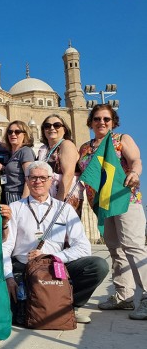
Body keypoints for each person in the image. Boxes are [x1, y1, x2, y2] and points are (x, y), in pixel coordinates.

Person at [2, 161, 109, 324]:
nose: (38, 182)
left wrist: (52, 256)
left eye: (43, 178)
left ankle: (69, 306)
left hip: (55, 266)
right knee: (11, 313)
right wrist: (8, 277)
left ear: (51, 180)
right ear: (27, 180)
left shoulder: (64, 209)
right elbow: (6, 245)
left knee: (98, 266)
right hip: (24, 267)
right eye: (34, 178)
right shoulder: (15, 207)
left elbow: (83, 247)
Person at [78, 104, 147, 320]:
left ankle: (146, 297)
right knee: (115, 249)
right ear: (90, 122)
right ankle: (123, 296)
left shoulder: (121, 140)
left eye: (106, 119)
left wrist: (135, 173)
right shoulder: (85, 148)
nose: (101, 122)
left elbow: (135, 160)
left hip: (125, 199)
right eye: (97, 119)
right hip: (103, 204)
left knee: (133, 247)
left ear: (113, 122)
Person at [37, 115, 84, 216]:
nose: (52, 128)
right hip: (48, 197)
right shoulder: (44, 150)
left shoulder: (66, 145)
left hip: (64, 197)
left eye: (57, 125)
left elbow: (68, 174)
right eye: (47, 126)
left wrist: (58, 203)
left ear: (65, 129)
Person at [3, 120, 35, 204]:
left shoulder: (25, 151)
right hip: (9, 195)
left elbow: (29, 177)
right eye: (10, 132)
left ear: (25, 135)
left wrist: (24, 201)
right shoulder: (11, 153)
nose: (13, 134)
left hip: (19, 196)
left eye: (17, 132)